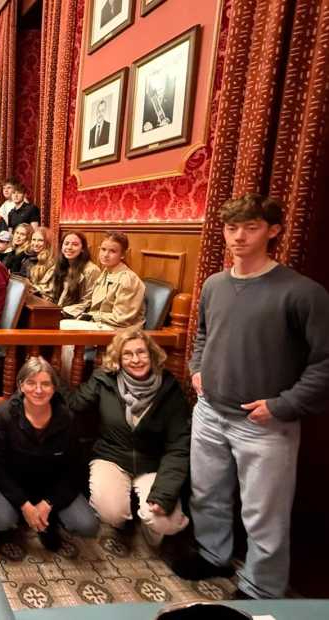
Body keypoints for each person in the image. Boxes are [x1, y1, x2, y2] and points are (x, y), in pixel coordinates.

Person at [172, 194, 329, 599]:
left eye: (251, 227)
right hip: (210, 410)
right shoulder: (214, 284)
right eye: (231, 228)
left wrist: (283, 405)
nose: (238, 237)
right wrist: (196, 369)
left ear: (273, 231)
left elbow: (324, 362)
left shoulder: (302, 292)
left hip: (264, 422)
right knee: (206, 493)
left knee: (264, 513)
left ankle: (261, 587)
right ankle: (212, 554)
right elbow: (203, 334)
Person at [66, 329, 190, 547]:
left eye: (141, 352)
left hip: (152, 464)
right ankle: (125, 520)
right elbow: (75, 403)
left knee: (164, 522)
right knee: (112, 514)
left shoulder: (170, 389)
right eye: (127, 354)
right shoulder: (105, 380)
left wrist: (164, 494)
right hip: (111, 457)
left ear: (152, 355)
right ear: (119, 359)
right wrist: (49, 381)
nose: (135, 360)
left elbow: (179, 446)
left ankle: (150, 526)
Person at [0, 357, 99, 554]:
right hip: (12, 485)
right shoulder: (3, 416)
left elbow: (75, 470)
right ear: (21, 385)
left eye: (45, 384)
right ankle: (22, 519)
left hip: (51, 487)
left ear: (54, 388)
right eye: (31, 383)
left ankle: (48, 519)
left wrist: (49, 503)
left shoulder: (68, 419)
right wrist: (25, 505)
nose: (38, 390)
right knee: (2, 521)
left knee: (87, 526)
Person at [61, 232, 145, 330]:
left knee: (62, 325)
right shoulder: (106, 273)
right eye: (103, 249)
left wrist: (93, 316)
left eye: (112, 251)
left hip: (121, 330)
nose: (105, 255)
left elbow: (121, 319)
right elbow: (91, 304)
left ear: (122, 255)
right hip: (102, 323)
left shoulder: (128, 279)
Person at [49, 231, 100, 318]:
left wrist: (63, 312)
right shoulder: (59, 265)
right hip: (57, 312)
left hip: (75, 316)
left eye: (75, 244)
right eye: (66, 244)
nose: (69, 247)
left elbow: (89, 301)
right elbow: (51, 292)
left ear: (82, 249)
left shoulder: (91, 270)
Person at [26, 226, 57, 297]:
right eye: (34, 240)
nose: (36, 244)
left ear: (48, 242)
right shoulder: (28, 259)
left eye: (40, 240)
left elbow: (49, 290)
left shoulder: (52, 262)